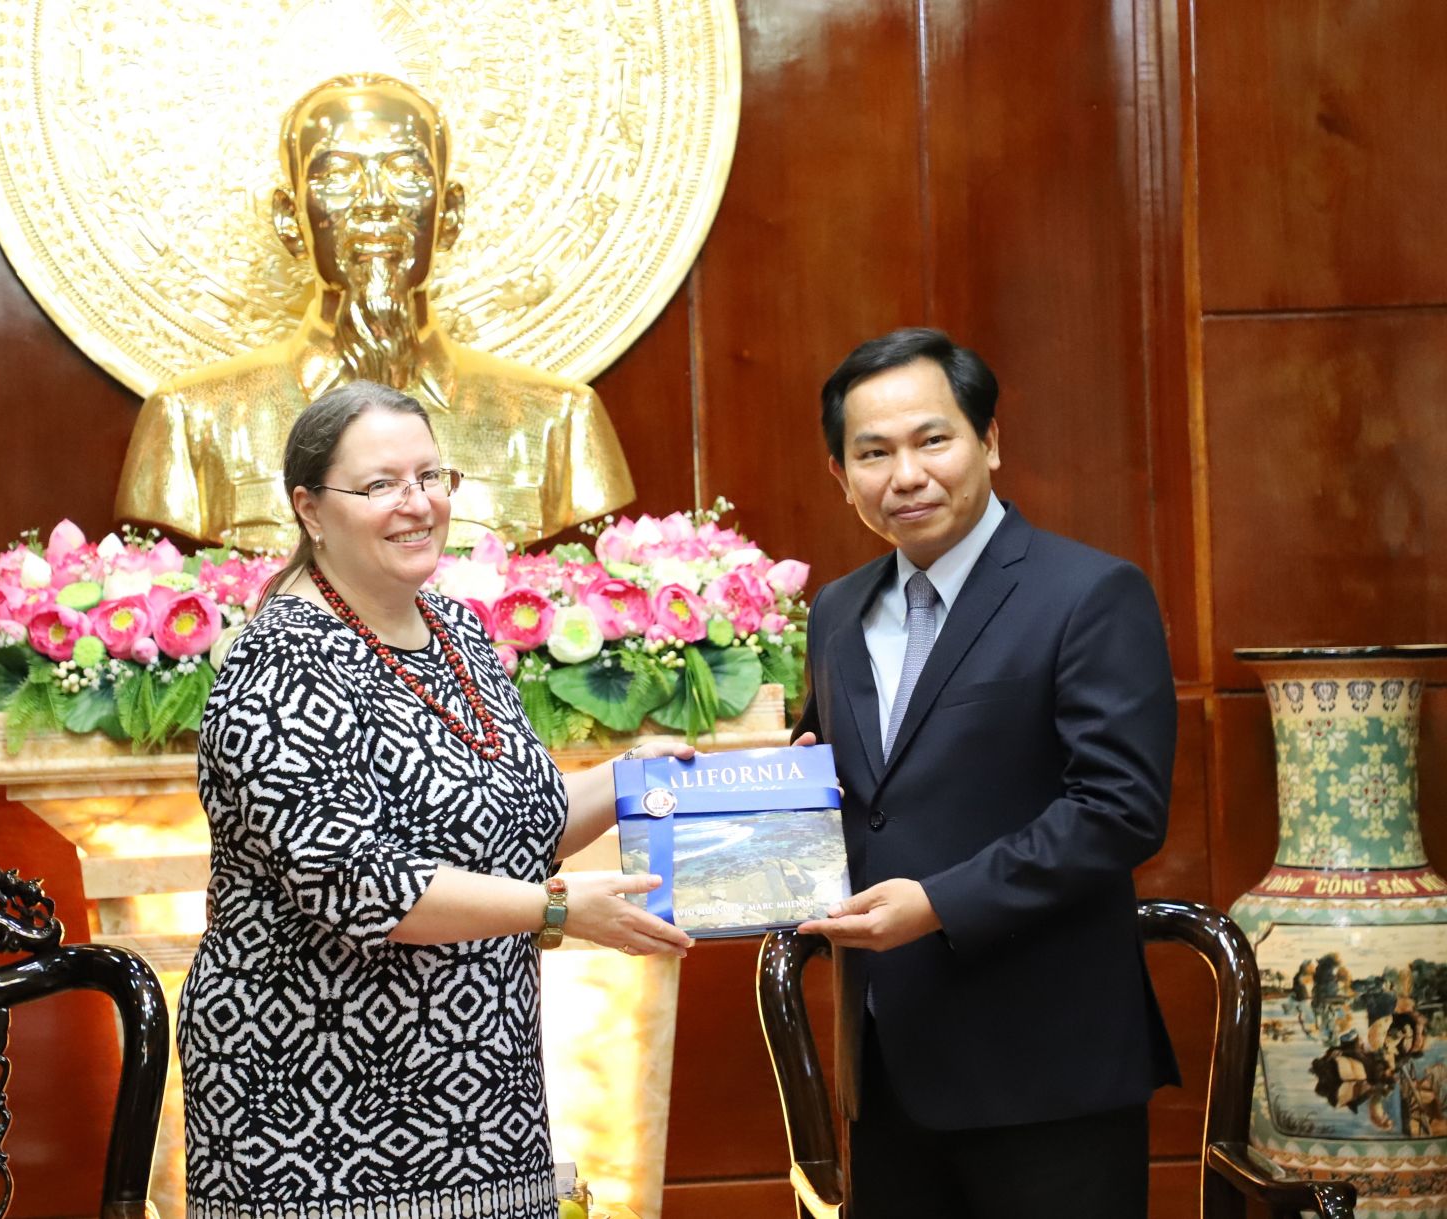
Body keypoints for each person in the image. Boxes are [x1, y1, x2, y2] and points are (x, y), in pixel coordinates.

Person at [175, 379, 688, 1216]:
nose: (417, 504)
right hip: (315, 1109)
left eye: (430, 477)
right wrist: (556, 910)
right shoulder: (279, 662)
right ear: (309, 508)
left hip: (482, 1098)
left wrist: (635, 777)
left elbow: (516, 820)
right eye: (380, 484)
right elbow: (352, 879)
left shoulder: (456, 629)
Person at [793, 328, 1179, 1218]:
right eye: (873, 453)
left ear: (990, 441)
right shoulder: (838, 611)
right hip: (888, 1064)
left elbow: (1119, 807)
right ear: (840, 475)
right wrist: (722, 796)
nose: (907, 475)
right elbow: (840, 786)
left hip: (1047, 1069)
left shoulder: (1088, 593)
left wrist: (937, 903)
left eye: (933, 439)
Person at [116, 73, 634, 554]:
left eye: (406, 173)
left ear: (450, 214)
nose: (374, 202)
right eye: (337, 175)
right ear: (289, 219)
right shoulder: (192, 422)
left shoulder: (560, 422)